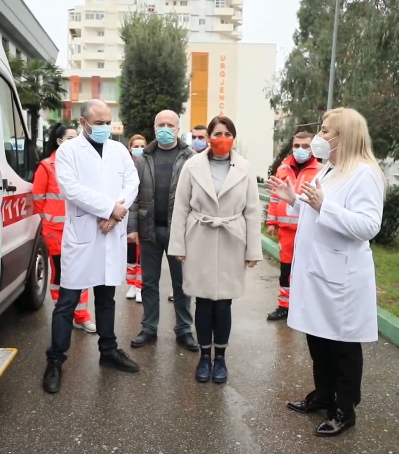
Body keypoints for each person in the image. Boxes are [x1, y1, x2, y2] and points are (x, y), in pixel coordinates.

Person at [266, 107, 384, 437]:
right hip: (316, 271)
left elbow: (368, 225)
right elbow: (312, 204)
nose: (319, 136)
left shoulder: (365, 172)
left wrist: (323, 206)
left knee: (342, 343)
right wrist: (293, 198)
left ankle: (344, 409)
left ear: (345, 136)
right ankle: (323, 395)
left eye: (326, 130)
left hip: (342, 277)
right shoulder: (330, 169)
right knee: (318, 337)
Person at [43, 100, 141, 394]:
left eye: (108, 122)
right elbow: (70, 189)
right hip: (84, 234)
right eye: (99, 123)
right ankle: (56, 360)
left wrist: (116, 213)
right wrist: (110, 208)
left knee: (107, 298)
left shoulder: (119, 150)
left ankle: (108, 351)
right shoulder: (68, 151)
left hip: (110, 232)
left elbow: (132, 182)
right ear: (83, 123)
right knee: (67, 302)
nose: (105, 128)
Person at [169, 116, 263, 384]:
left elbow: (253, 211)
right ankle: (203, 356)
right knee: (202, 301)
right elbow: (181, 207)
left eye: (227, 133)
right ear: (208, 136)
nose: (222, 137)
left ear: (234, 137)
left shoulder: (244, 167)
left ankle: (220, 358)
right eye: (217, 133)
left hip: (232, 238)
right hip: (199, 236)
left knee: (223, 304)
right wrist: (178, 244)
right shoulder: (192, 166)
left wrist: (253, 250)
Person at [128, 110, 199, 352]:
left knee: (182, 284)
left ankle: (184, 330)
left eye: (171, 125)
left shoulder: (190, 158)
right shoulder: (143, 158)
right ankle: (149, 328)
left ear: (178, 129)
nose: (165, 128)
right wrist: (132, 228)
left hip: (179, 232)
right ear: (154, 127)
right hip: (149, 230)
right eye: (161, 124)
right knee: (148, 282)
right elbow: (134, 197)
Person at [33, 123, 97, 333]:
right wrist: (50, 220)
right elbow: (38, 198)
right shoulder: (47, 166)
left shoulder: (82, 165)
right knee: (61, 273)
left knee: (82, 272)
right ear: (59, 141)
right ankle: (63, 313)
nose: (76, 142)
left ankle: (81, 315)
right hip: (56, 231)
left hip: (79, 229)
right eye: (71, 138)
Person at [265, 132, 322, 321]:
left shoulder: (321, 170)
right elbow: (274, 197)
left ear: (313, 148)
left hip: (309, 230)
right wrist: (271, 222)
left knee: (309, 269)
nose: (300, 150)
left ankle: (307, 307)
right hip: (286, 232)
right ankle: (284, 305)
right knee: (286, 270)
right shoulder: (283, 169)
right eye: (297, 145)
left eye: (305, 146)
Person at [126, 134, 147, 303]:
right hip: (126, 216)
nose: (139, 148)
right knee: (130, 255)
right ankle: (131, 284)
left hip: (142, 216)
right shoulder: (125, 166)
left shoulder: (147, 165)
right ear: (130, 148)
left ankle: (140, 286)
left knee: (142, 256)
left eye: (142, 145)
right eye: (136, 146)